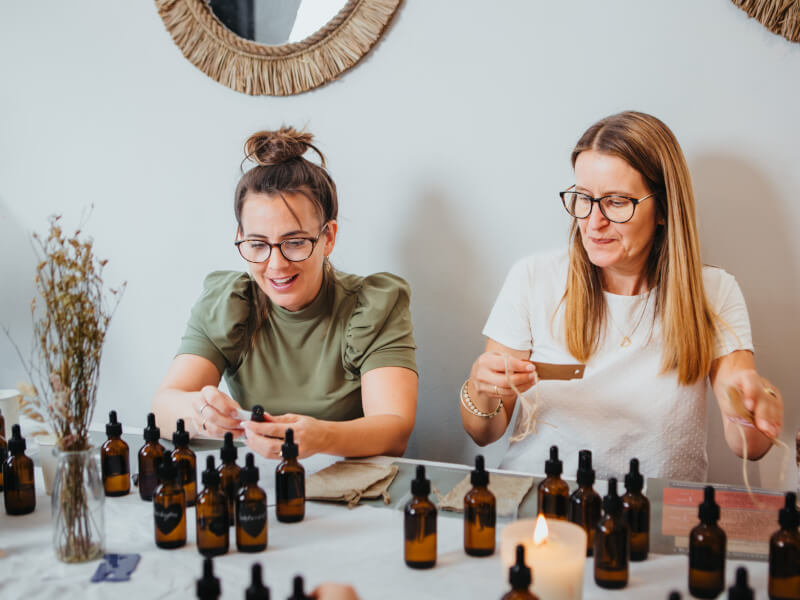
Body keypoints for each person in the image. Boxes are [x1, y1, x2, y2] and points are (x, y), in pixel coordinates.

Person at [462, 111, 784, 481]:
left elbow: (750, 447)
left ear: (663, 209)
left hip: (654, 515)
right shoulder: (533, 278)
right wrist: (480, 388)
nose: (593, 222)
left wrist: (756, 406)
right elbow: (483, 432)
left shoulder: (714, 292)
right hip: (543, 502)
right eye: (583, 198)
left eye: (616, 202)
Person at [153, 127, 418, 459]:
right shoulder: (228, 304)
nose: (275, 264)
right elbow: (163, 406)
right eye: (258, 244)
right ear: (241, 236)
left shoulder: (374, 306)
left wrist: (320, 437)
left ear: (328, 237)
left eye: (295, 242)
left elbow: (395, 430)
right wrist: (200, 411)